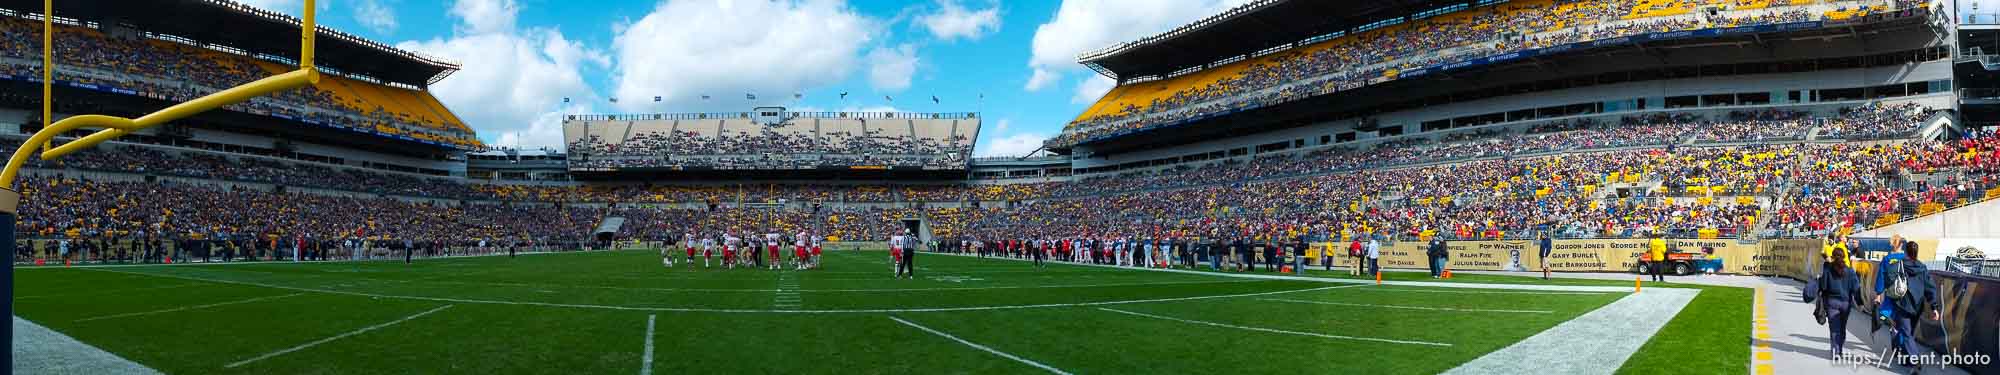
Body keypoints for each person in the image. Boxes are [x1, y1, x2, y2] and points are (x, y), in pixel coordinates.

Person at [1874, 241, 1940, 371]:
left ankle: (1915, 360)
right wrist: (1934, 307)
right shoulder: (1922, 268)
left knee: (1906, 333)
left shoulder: (1898, 265)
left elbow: (1887, 278)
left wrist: (1880, 293)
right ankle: (1905, 358)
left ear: (1905, 251)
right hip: (1917, 305)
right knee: (1909, 333)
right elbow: (1930, 288)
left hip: (1902, 304)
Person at [1816, 245, 1861, 359]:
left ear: (1833, 257)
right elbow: (1856, 288)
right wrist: (1860, 303)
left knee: (1834, 328)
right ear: (1844, 257)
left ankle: (1836, 351)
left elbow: (1824, 286)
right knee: (1842, 327)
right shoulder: (1850, 271)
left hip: (1832, 302)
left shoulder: (1828, 269)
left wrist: (1820, 280)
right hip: (1846, 303)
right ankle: (1839, 349)